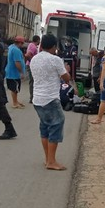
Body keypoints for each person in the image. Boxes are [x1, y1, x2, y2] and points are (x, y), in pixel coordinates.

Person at [30, 34, 71, 171]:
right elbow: (66, 78)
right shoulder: (56, 60)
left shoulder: (35, 59)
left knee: (45, 127)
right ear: (54, 47)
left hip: (37, 98)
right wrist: (67, 71)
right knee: (57, 124)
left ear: (41, 45)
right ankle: (51, 161)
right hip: (50, 98)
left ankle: (47, 158)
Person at [5, 36, 26, 108]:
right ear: (20, 43)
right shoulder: (16, 50)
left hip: (12, 72)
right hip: (14, 73)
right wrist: (21, 72)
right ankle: (14, 103)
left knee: (15, 88)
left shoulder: (12, 47)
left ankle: (16, 101)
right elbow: (17, 62)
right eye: (22, 43)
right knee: (14, 88)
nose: (22, 45)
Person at [25, 35, 40, 103]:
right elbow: (27, 55)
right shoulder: (33, 47)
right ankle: (32, 98)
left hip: (29, 65)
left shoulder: (30, 44)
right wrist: (32, 62)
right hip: (31, 65)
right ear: (37, 40)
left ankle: (33, 97)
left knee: (33, 81)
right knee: (32, 81)